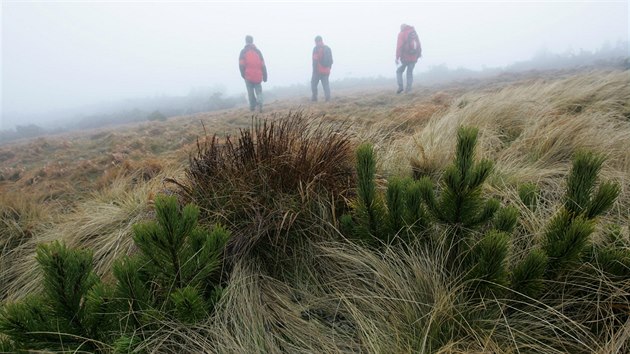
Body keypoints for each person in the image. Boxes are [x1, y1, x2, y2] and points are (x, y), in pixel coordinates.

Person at [239, 35, 268, 112]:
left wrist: (243, 74)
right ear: (252, 41)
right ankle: (260, 106)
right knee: (259, 91)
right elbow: (263, 64)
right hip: (258, 75)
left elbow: (241, 64)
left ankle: (252, 107)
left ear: (246, 41)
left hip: (248, 75)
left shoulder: (243, 51)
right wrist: (265, 75)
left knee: (250, 92)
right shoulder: (258, 51)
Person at [395, 24, 422, 94]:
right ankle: (408, 89)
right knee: (409, 73)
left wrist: (397, 57)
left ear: (402, 28)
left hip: (405, 57)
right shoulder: (414, 32)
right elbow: (419, 44)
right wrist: (418, 54)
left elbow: (399, 46)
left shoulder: (402, 34)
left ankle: (400, 87)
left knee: (399, 71)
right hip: (414, 57)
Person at [311, 35, 333, 102]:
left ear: (320, 41)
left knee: (321, 85)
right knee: (317, 84)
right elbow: (314, 60)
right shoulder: (317, 49)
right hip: (320, 71)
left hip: (321, 71)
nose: (316, 43)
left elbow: (330, 60)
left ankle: (324, 99)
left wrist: (327, 67)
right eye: (316, 42)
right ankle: (319, 99)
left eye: (317, 42)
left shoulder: (323, 49)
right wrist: (328, 68)